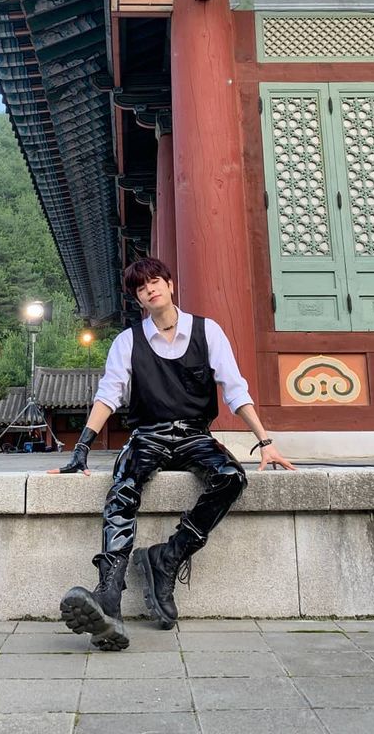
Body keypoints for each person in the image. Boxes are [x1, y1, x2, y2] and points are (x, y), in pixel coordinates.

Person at [47, 257, 295, 650]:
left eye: (155, 281)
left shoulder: (207, 331)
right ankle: (108, 594)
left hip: (195, 435)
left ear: (170, 285)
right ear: (138, 299)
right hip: (148, 435)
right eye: (141, 287)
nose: (150, 289)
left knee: (231, 477)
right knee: (123, 486)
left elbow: (234, 388)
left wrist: (265, 442)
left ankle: (168, 557)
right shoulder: (127, 341)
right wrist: (81, 448)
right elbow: (109, 394)